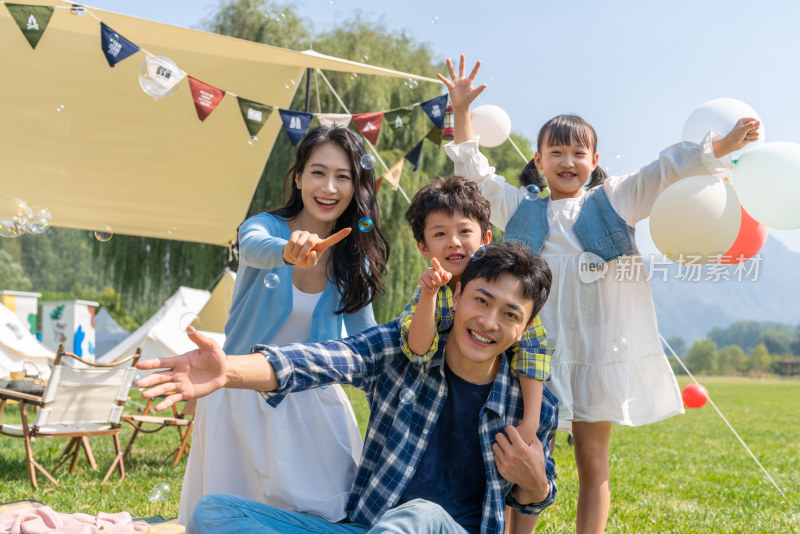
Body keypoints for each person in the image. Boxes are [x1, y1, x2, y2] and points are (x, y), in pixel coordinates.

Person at [438, 55, 760, 534]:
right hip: (537, 354)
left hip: (597, 351)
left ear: (594, 161)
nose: (568, 161)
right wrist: (461, 110)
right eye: (557, 152)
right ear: (539, 160)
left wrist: (718, 149)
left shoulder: (616, 200)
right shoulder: (522, 209)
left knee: (592, 459)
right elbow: (476, 173)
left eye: (578, 153)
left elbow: (666, 169)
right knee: (525, 453)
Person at [137, 242, 558, 534]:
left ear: (524, 329)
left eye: (509, 314)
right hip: (368, 528)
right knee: (214, 513)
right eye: (481, 301)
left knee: (418, 517)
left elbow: (534, 496)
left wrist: (537, 482)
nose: (488, 323)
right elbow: (320, 359)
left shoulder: (533, 405)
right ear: (459, 292)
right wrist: (228, 370)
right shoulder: (402, 350)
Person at [179, 126, 390, 523]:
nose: (329, 187)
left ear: (357, 184)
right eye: (317, 172)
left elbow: (367, 343)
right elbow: (253, 248)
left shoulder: (355, 257)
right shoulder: (265, 227)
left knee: (326, 513)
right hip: (240, 392)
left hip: (315, 398)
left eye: (343, 176)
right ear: (298, 177)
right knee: (234, 515)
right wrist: (289, 252)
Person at [400, 175, 551, 534]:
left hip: (512, 401)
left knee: (523, 473)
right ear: (423, 246)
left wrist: (530, 421)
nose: (454, 243)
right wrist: (428, 296)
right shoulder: (432, 293)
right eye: (439, 234)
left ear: (484, 238)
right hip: (453, 403)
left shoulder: (507, 283)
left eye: (463, 231)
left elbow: (534, 350)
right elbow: (418, 348)